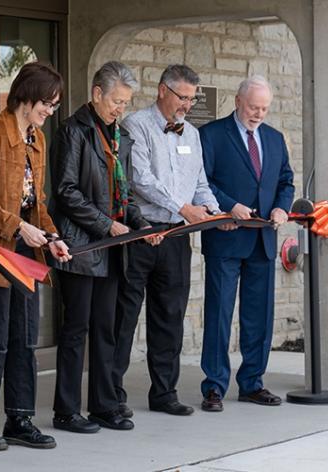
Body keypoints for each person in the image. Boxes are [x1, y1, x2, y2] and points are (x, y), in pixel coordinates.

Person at [0, 62, 70, 451]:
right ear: (28, 96)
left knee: (25, 339)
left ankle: (20, 419)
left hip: (27, 250)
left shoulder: (37, 140)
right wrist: (16, 226)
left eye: (55, 105)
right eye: (48, 102)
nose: (50, 110)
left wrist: (52, 236)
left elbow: (37, 203)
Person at [49, 61, 158, 434]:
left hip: (112, 247)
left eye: (126, 104)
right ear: (96, 94)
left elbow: (124, 196)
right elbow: (65, 192)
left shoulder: (119, 137)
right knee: (75, 330)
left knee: (105, 329)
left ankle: (103, 405)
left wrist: (141, 226)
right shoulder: (72, 131)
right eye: (116, 101)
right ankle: (65, 410)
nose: (120, 110)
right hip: (81, 248)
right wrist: (105, 224)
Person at [113, 64, 222, 419]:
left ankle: (164, 392)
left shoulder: (192, 134)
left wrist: (213, 210)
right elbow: (139, 178)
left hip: (176, 236)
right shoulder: (135, 125)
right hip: (141, 233)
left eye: (192, 98)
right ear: (162, 90)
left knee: (170, 317)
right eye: (182, 97)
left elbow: (200, 181)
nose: (187, 105)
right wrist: (183, 206)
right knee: (124, 317)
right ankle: (112, 394)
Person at [198, 75, 295, 413]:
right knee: (219, 316)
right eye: (254, 107)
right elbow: (203, 182)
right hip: (225, 239)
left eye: (264, 108)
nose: (258, 114)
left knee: (259, 318)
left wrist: (283, 206)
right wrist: (228, 205)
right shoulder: (210, 135)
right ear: (238, 101)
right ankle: (214, 387)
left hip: (263, 241)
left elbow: (286, 180)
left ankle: (252, 383)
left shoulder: (275, 138)